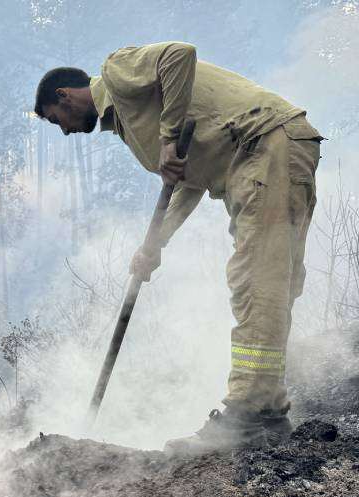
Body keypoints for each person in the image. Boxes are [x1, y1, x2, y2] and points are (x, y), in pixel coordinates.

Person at [34, 41, 322, 454]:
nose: (62, 130)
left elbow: (178, 55)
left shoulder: (116, 73)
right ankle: (269, 413)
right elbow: (188, 182)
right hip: (262, 151)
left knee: (257, 281)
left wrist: (168, 139)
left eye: (54, 119)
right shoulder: (132, 128)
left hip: (262, 142)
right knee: (272, 281)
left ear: (63, 96)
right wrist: (155, 245)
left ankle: (246, 414)